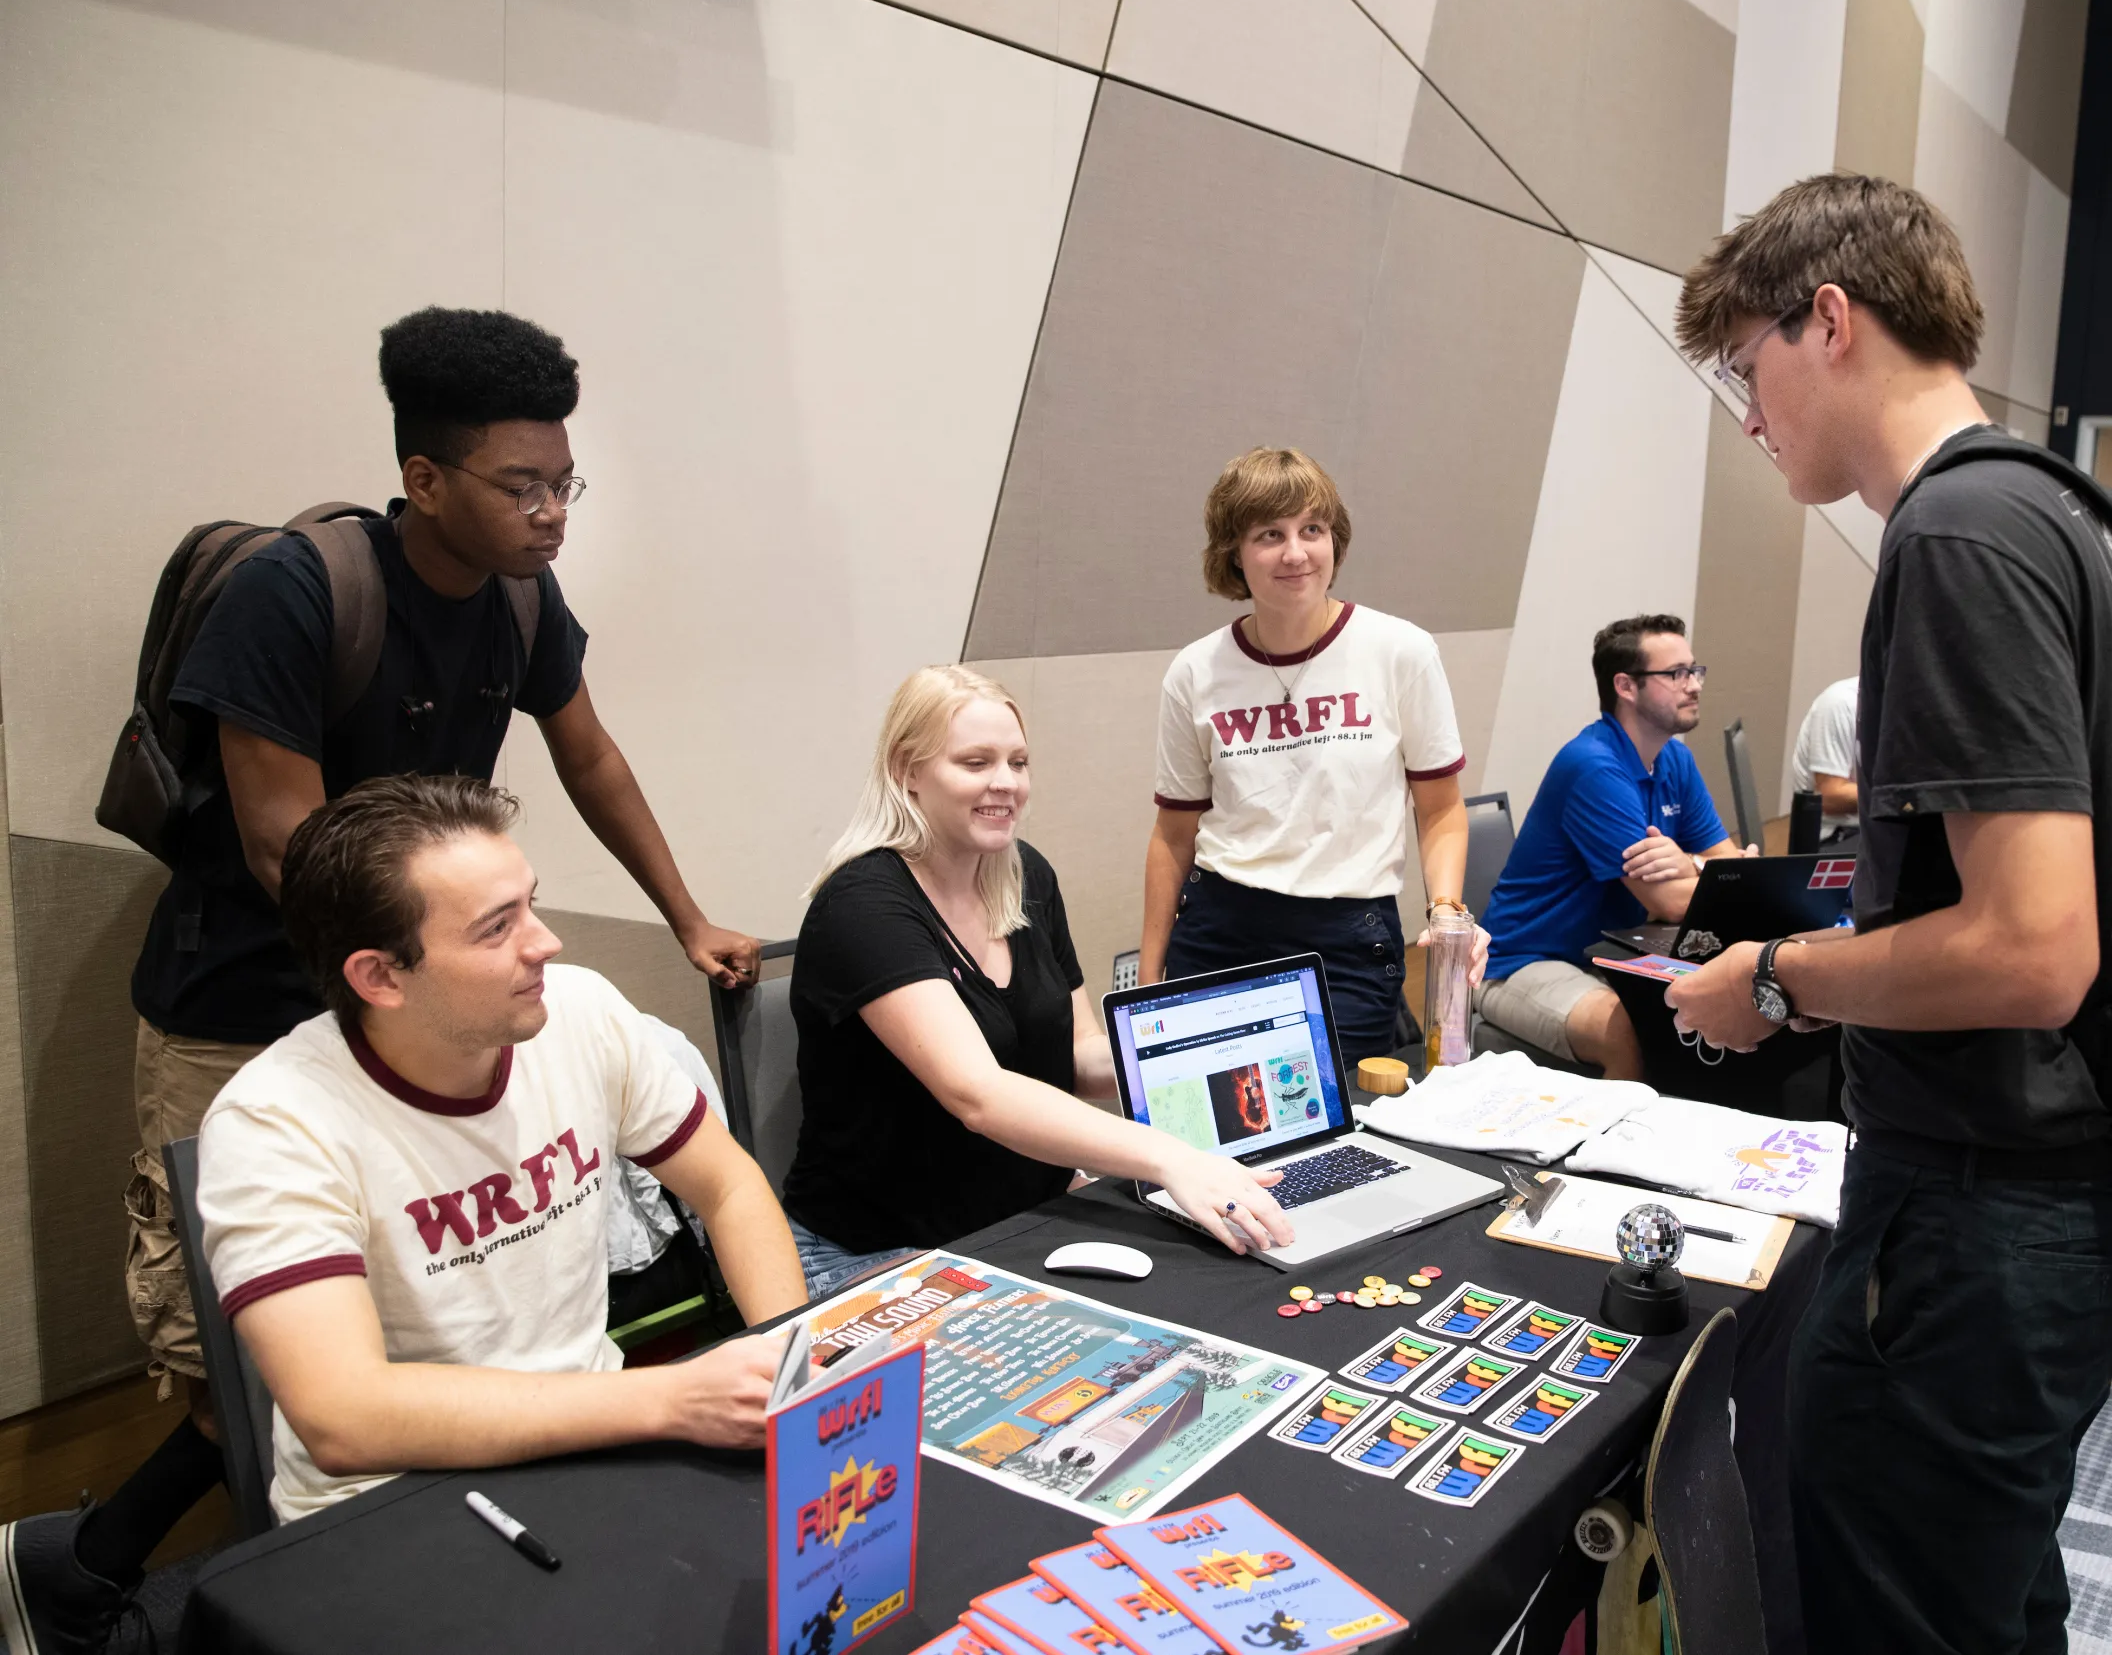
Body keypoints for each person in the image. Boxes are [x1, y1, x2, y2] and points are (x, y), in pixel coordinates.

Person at [2, 308, 765, 1651]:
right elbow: (278, 837)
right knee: (234, 1365)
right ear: (424, 480)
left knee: (403, 1321)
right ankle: (159, 1584)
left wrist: (687, 913)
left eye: (563, 483)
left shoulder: (523, 600)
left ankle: (115, 1566)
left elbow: (589, 756)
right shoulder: (297, 592)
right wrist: (391, 1023)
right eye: (519, 487)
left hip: (416, 996)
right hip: (249, 1012)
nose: (551, 515)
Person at [1665, 173, 2112, 1652]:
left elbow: (2033, 947)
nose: (1751, 416)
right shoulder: (2060, 511)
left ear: (1828, 321)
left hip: (1984, 1204)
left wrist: (1775, 973)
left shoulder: (1960, 536)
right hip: (2070, 1179)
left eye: (1748, 368)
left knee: (1889, 1606)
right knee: (1984, 1595)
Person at [214, 778, 798, 1532]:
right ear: (380, 976)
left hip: (597, 1440)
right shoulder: (274, 1121)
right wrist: (672, 1398)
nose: (545, 942)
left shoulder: (581, 1011)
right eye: (497, 928)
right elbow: (342, 1414)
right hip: (390, 1503)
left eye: (531, 902)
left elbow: (725, 1184)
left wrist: (787, 1354)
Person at [781, 667, 1297, 1296]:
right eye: (975, 763)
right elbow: (980, 1095)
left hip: (1022, 1218)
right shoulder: (862, 906)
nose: (1006, 784)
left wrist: (1208, 1048)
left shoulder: (1025, 876)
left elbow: (1074, 1055)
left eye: (1018, 762)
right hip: (880, 1250)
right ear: (906, 772)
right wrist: (1172, 1158)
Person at [1142, 448, 1486, 1063]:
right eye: (1269, 534)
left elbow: (1440, 810)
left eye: (1312, 530)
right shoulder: (1195, 671)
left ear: (1335, 541)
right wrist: (1149, 980)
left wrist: (1446, 911)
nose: (1296, 553)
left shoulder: (1400, 651)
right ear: (1234, 554)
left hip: (1346, 939)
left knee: (1328, 1137)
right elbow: (1173, 835)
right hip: (1218, 927)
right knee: (1204, 1132)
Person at [1472, 615, 1747, 1077]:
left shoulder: (1673, 757)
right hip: (1522, 963)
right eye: (1676, 673)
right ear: (1626, 686)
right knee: (1630, 1028)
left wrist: (1691, 863)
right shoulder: (1594, 767)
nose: (1693, 685)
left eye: (1695, 670)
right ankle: (1613, 1148)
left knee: (1725, 994)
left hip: (1609, 954)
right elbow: (1671, 902)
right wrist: (1706, 872)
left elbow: (1729, 864)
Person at [1788, 674, 1860, 845]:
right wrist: (1901, 797)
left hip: (1882, 827)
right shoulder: (1841, 703)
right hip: (1837, 836)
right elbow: (1831, 797)